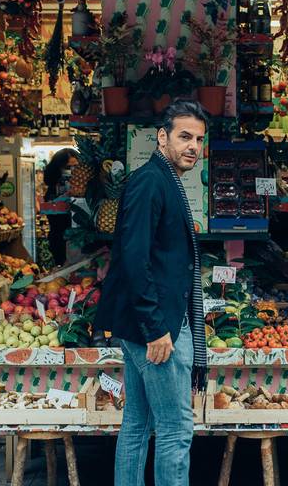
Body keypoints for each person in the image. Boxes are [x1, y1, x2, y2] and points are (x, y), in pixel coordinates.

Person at [95, 100, 208, 486]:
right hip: (156, 330)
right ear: (163, 137)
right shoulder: (150, 181)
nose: (193, 146)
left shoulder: (163, 179)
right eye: (185, 136)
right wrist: (156, 327)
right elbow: (133, 256)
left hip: (148, 324)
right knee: (177, 430)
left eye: (199, 139)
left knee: (138, 425)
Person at [42, 148, 77, 266]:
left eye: (76, 167)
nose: (72, 171)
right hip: (60, 240)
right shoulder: (53, 190)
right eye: (68, 167)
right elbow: (52, 217)